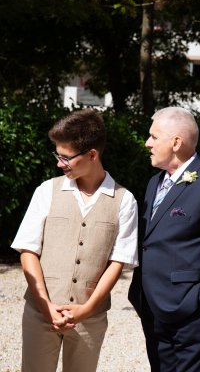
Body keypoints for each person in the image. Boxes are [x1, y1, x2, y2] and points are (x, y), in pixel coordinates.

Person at [11, 108, 138, 372]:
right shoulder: (47, 191)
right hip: (39, 313)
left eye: (65, 157)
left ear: (92, 155)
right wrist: (46, 305)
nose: (59, 163)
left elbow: (118, 262)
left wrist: (87, 309)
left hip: (90, 320)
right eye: (57, 155)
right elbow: (28, 251)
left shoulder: (125, 201)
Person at [128, 107, 200, 372]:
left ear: (176, 143)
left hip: (193, 315)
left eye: (154, 137)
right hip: (153, 308)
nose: (147, 143)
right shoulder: (154, 183)